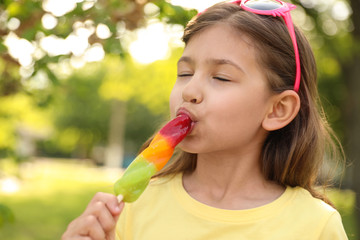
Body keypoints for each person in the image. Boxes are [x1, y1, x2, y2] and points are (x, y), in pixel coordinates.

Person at [62, 0, 348, 239]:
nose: (189, 91)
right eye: (185, 73)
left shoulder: (316, 226)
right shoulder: (132, 207)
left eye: (221, 77)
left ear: (278, 110)